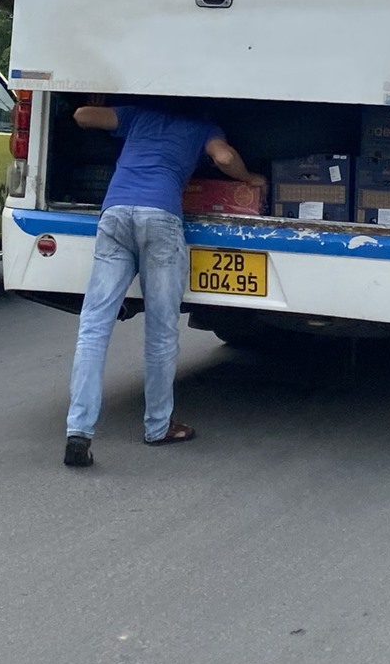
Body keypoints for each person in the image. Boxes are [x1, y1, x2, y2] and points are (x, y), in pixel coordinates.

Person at [62, 100, 263, 468]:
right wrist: (248, 178)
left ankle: (79, 430)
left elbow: (82, 116)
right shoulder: (204, 127)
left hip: (116, 213)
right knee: (161, 329)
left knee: (93, 326)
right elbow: (223, 158)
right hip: (160, 217)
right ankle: (157, 426)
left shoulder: (141, 115)